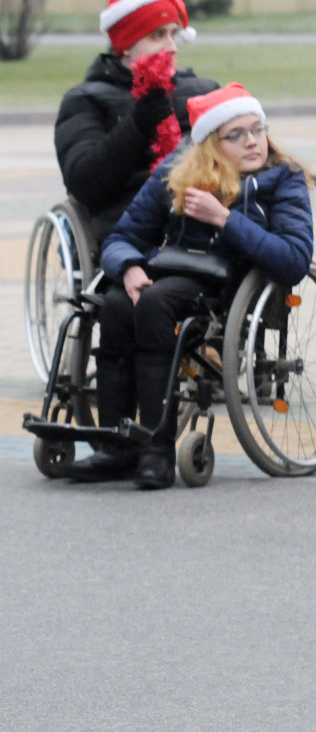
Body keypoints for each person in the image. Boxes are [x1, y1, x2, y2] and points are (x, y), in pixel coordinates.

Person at [71, 84, 313, 488]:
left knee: (154, 304)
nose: (253, 141)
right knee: (115, 304)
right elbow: (120, 238)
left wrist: (224, 218)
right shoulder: (176, 173)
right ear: (211, 145)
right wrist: (128, 267)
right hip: (169, 272)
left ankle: (156, 449)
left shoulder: (280, 179)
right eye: (236, 134)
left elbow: (293, 259)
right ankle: (114, 446)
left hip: (232, 286)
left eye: (257, 129)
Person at [55, 0, 219, 246]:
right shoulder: (86, 100)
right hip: (131, 233)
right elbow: (85, 183)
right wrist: (138, 125)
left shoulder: (202, 90)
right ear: (127, 45)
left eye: (173, 34)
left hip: (210, 219)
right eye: (158, 35)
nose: (172, 47)